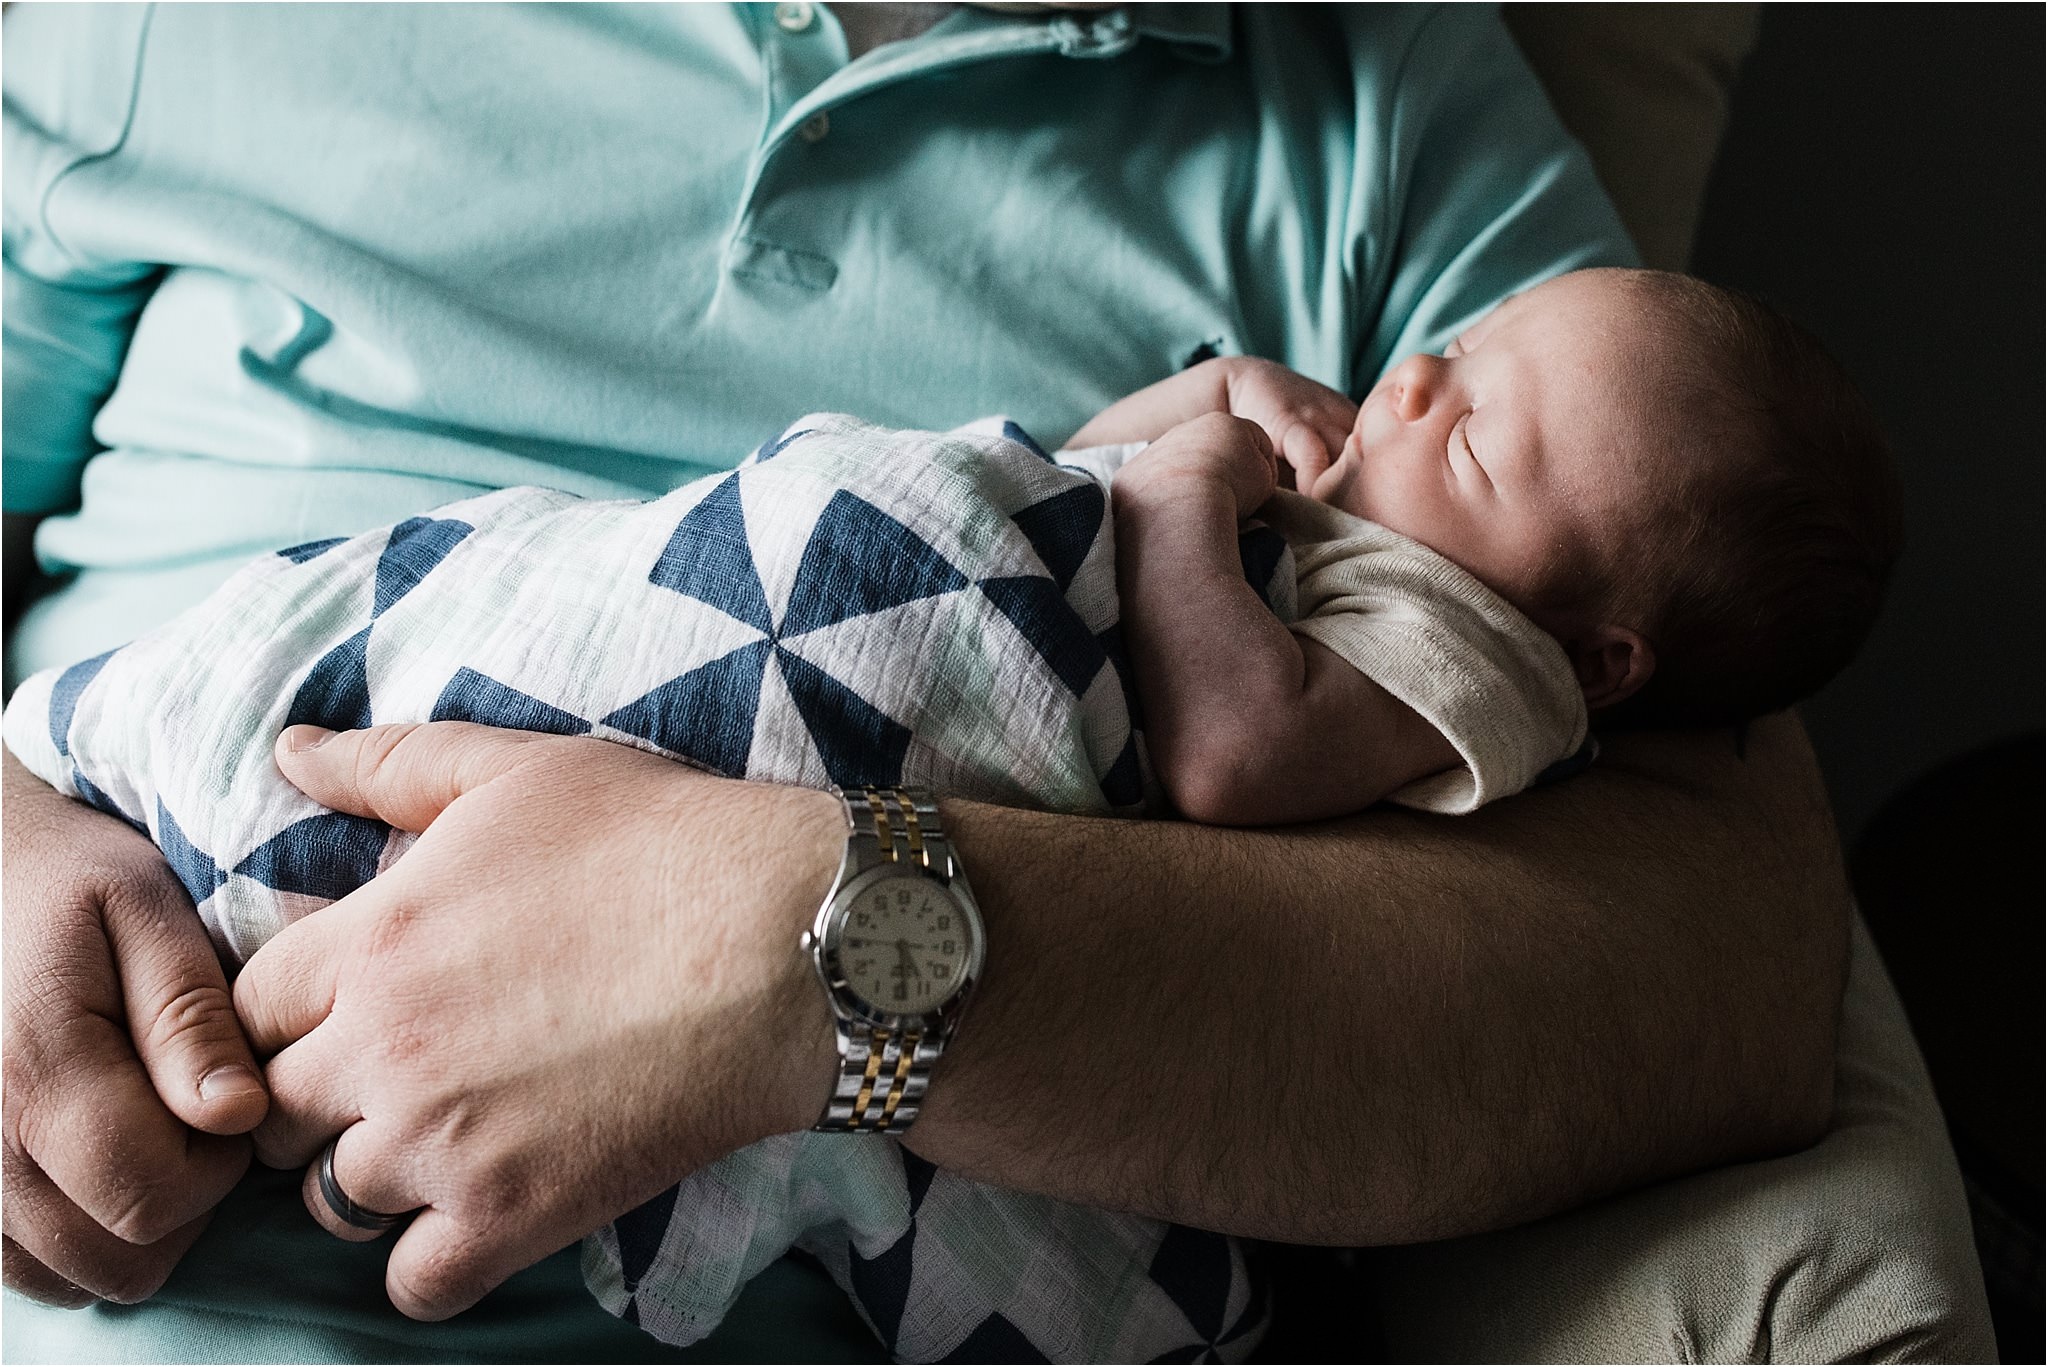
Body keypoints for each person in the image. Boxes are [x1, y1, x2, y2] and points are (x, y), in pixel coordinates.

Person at [1, 5, 1848, 1361]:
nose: (1433, 396)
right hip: (178, 1198)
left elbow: (1728, 959)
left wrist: (800, 938)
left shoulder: (1391, 109)